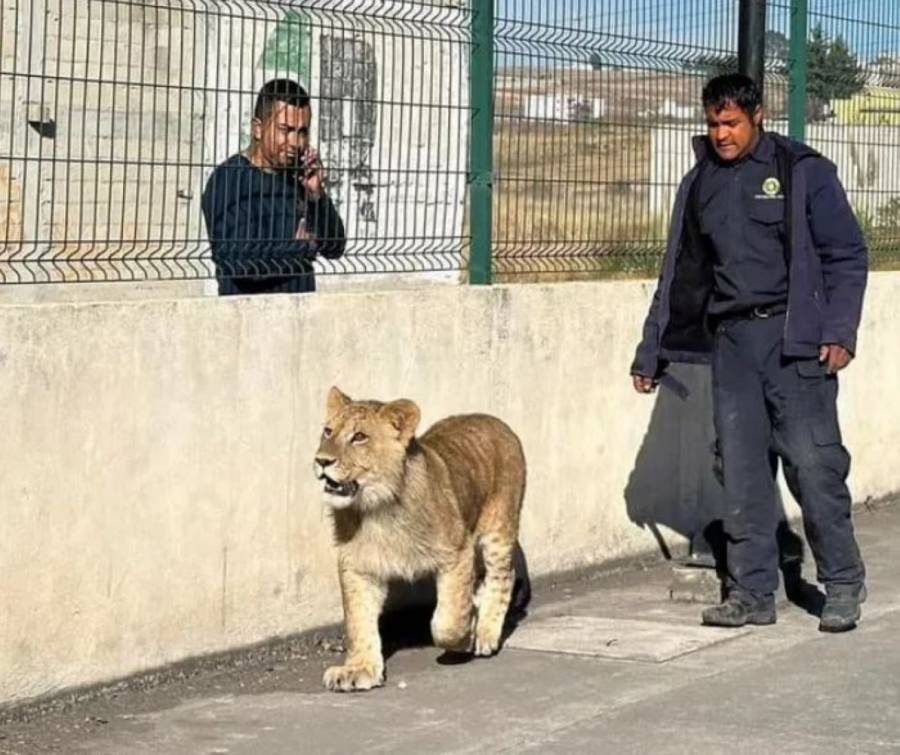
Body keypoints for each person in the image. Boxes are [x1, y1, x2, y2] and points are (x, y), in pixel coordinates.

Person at [631, 73, 868, 633]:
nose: (721, 134)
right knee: (740, 476)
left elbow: (846, 254)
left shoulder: (801, 171)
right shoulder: (700, 184)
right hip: (732, 345)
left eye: (731, 123)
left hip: (796, 343)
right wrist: (651, 352)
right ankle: (752, 593)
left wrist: (839, 330)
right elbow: (678, 274)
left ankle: (842, 585)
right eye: (713, 123)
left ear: (758, 115)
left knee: (813, 467)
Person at [202, 79, 345, 295]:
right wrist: (300, 249)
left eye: (302, 132)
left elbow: (335, 246)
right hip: (248, 318)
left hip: (299, 318)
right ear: (258, 129)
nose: (296, 142)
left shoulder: (298, 178)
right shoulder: (230, 179)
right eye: (285, 130)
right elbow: (240, 264)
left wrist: (317, 195)